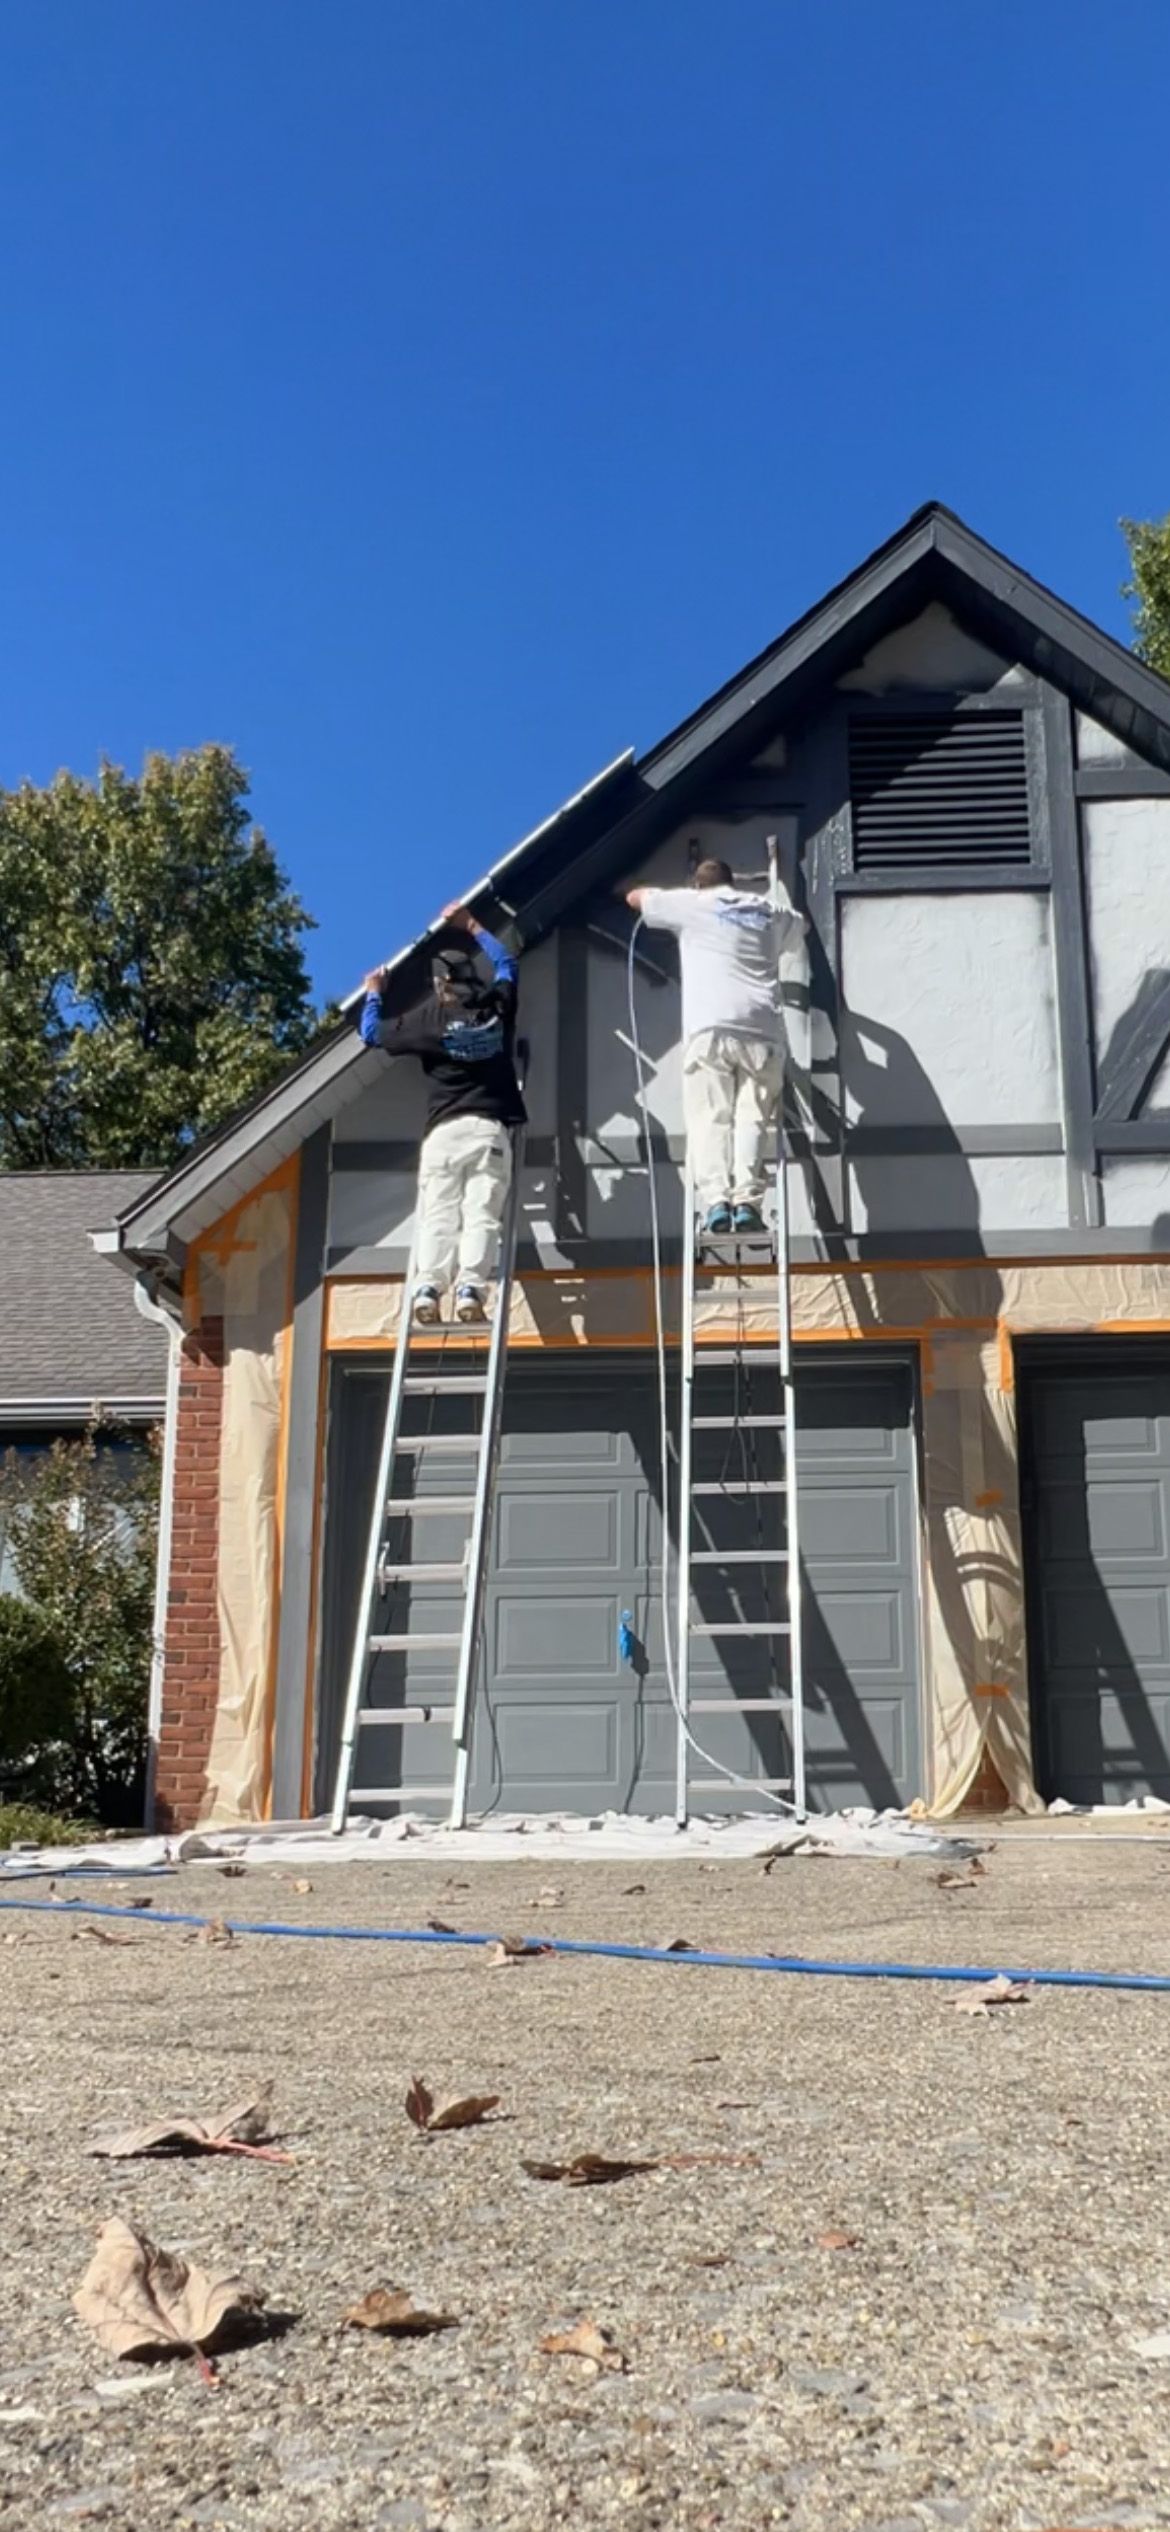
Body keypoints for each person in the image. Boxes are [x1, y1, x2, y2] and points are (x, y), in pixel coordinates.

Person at [357, 903, 526, 1324]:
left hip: (444, 1134)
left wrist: (375, 991)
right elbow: (506, 962)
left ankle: (428, 1289)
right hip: (488, 1132)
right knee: (481, 1214)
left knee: (439, 1215)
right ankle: (470, 1288)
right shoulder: (496, 1006)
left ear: (438, 984)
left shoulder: (428, 1021)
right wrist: (471, 924)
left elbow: (370, 1033)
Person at [625, 855, 803, 1237]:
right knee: (752, 1118)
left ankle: (717, 1201)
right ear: (732, 883)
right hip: (761, 1030)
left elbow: (636, 898)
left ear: (699, 885)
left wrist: (666, 894)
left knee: (710, 1117)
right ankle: (747, 1202)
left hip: (710, 1029)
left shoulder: (692, 904)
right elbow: (798, 927)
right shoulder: (767, 909)